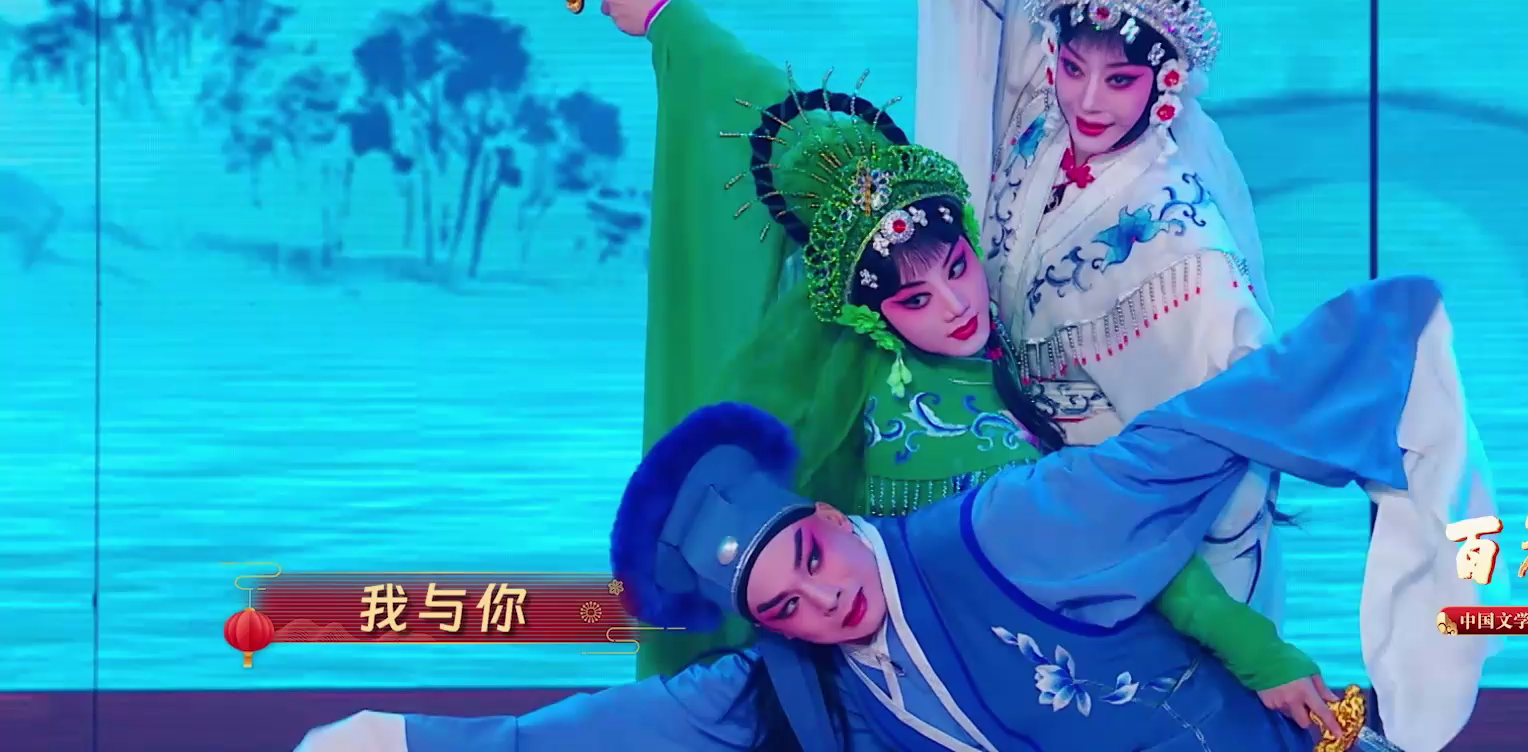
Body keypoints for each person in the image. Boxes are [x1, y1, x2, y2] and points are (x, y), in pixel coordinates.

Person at [913, 0, 1504, 751]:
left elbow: (1232, 449)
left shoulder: (1184, 248)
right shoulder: (1038, 120)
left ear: (1166, 83)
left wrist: (1219, 613)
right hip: (1006, 494)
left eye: (1120, 79)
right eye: (1073, 67)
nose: (1088, 99)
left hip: (1123, 546)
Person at [585, 0, 1341, 722]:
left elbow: (792, 122)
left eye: (957, 269)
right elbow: (1107, 530)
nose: (955, 308)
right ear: (871, 315)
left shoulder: (1155, 238)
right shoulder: (951, 431)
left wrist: (668, 19)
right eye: (914, 300)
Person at [292, 275, 1455, 752]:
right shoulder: (806, 685)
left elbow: (1170, 451)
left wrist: (1378, 347)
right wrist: (405, 742)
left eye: (808, 555)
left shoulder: (997, 530)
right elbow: (605, 729)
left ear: (826, 513)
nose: (824, 599)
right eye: (784, 606)